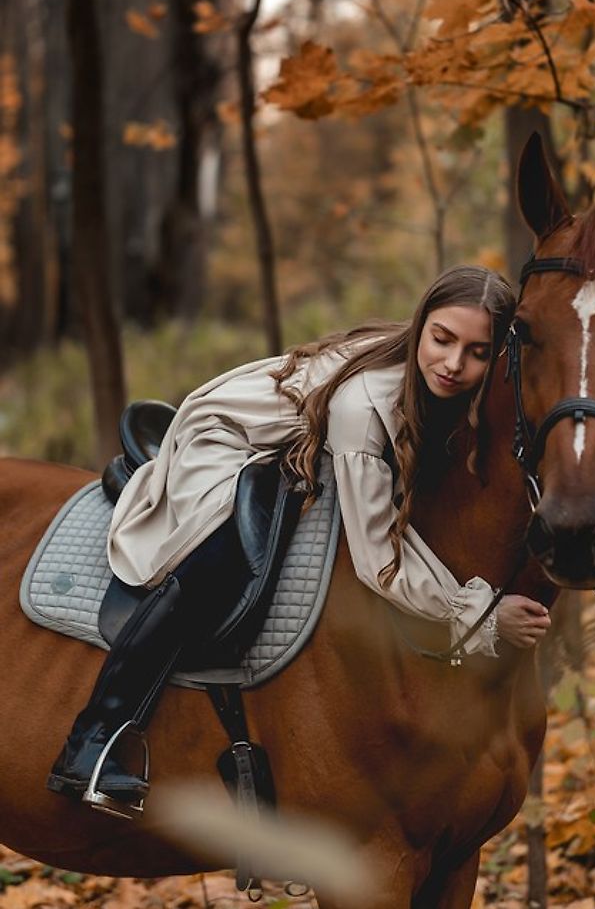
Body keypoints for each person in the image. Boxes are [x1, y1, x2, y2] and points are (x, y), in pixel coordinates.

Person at [47, 264, 551, 807]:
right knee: (223, 561)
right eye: (443, 339)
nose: (454, 364)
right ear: (421, 323)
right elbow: (377, 558)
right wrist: (477, 614)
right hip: (230, 440)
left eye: (478, 352)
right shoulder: (364, 409)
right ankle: (94, 738)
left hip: (300, 444)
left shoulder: (441, 378)